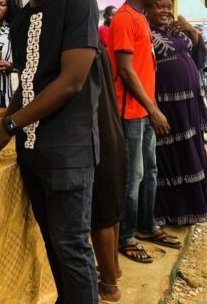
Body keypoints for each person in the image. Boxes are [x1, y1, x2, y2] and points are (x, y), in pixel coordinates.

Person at [0, 0, 101, 303]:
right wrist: (4, 123)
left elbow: (72, 82)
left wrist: (8, 125)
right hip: (32, 152)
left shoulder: (78, 2)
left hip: (69, 153)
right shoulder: (21, 21)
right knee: (52, 243)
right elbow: (28, 82)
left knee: (72, 248)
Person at [108, 0, 180, 264]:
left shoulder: (140, 18)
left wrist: (152, 107)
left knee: (149, 171)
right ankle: (125, 237)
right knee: (133, 175)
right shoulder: (124, 19)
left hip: (145, 110)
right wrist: (152, 109)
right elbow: (125, 70)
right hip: (132, 112)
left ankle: (146, 227)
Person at [147, 0, 207, 226]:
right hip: (167, 104)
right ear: (147, 9)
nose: (165, 11)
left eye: (168, 7)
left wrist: (191, 30)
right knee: (170, 155)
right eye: (159, 7)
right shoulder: (145, 32)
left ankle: (193, 206)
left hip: (189, 103)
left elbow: (197, 56)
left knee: (191, 151)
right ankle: (170, 212)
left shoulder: (176, 30)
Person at [91, 44, 126, 303]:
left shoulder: (80, 47)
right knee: (111, 211)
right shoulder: (99, 46)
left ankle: (109, 285)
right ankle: (112, 267)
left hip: (96, 135)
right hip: (112, 131)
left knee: (99, 216)